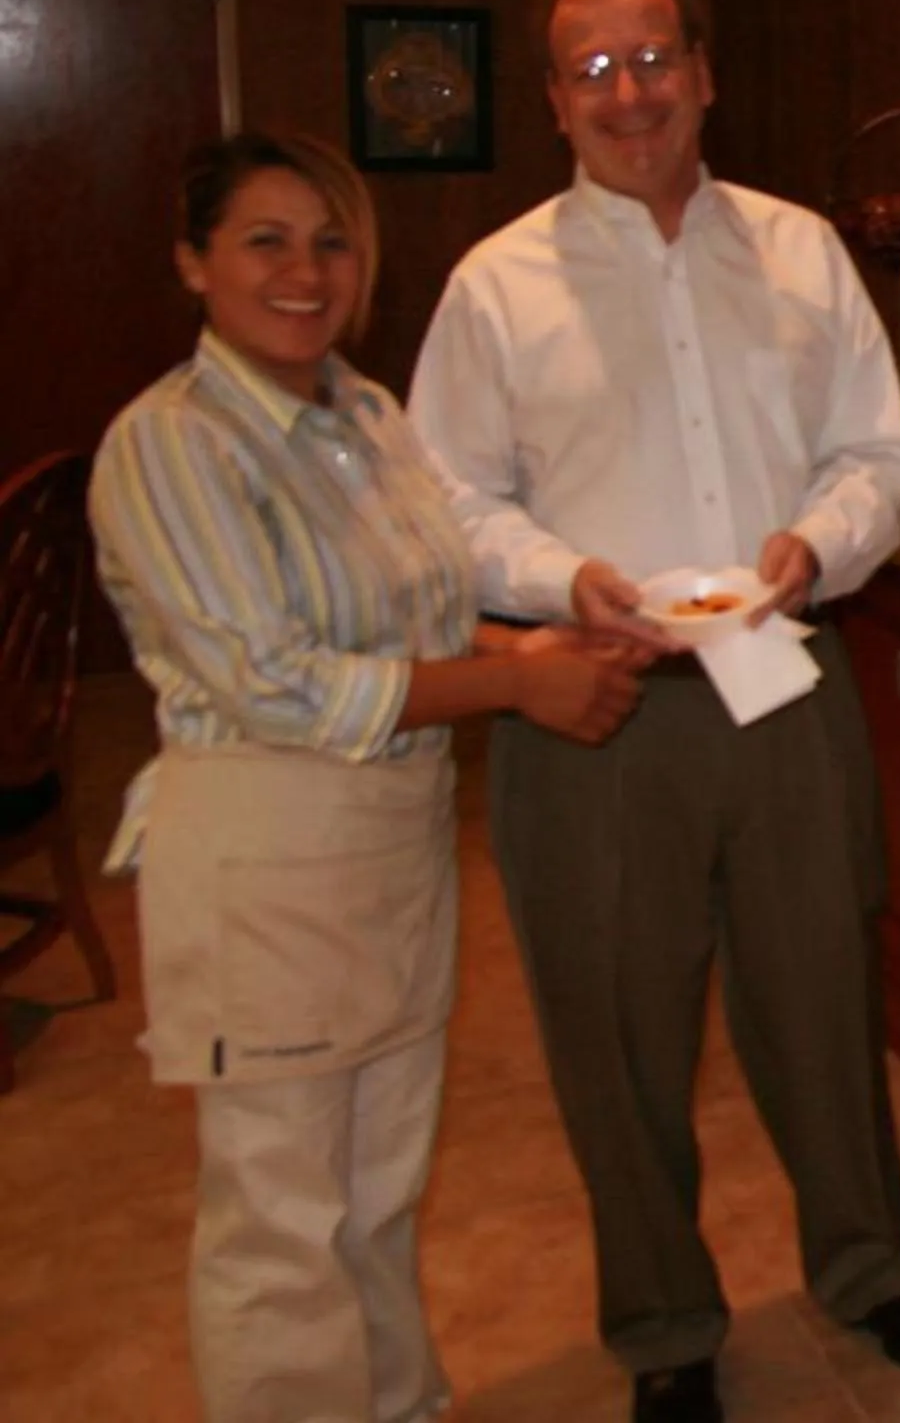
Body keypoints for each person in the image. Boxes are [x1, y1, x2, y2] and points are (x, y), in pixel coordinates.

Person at [406, 0, 900, 1423]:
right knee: (614, 1033)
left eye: (653, 58)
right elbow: (443, 502)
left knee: (823, 1004)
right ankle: (663, 1327)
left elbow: (878, 458)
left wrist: (814, 543)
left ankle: (869, 1268)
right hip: (593, 708)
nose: (628, 93)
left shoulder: (796, 250)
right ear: (553, 103)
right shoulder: (496, 287)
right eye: (592, 70)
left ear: (704, 74)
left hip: (786, 684)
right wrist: (559, 582)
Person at [90, 131, 643, 1423]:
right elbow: (279, 682)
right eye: (264, 240)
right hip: (264, 856)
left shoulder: (365, 414)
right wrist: (516, 686)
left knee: (379, 1190)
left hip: (390, 847)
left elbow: (418, 625)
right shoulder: (172, 444)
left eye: (331, 240)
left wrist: (539, 643)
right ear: (194, 264)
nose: (305, 271)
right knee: (281, 1221)